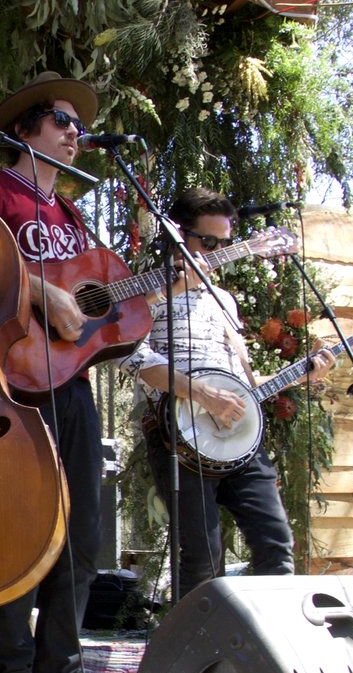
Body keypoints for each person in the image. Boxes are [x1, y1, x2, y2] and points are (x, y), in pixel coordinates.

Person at [0, 73, 126, 673]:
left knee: (82, 534)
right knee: (21, 526)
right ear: (25, 128)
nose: (75, 133)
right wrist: (41, 292)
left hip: (72, 384)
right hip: (13, 378)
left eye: (79, 126)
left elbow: (89, 309)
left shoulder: (72, 215)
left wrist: (146, 294)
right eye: (63, 120)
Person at [126, 188, 330, 596]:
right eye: (209, 242)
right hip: (177, 435)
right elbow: (135, 359)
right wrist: (202, 395)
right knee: (202, 556)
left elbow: (241, 384)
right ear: (179, 237)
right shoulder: (146, 296)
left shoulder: (224, 301)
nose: (218, 252)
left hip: (237, 438)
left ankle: (269, 634)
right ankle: (197, 638)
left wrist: (299, 375)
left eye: (223, 243)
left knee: (276, 544)